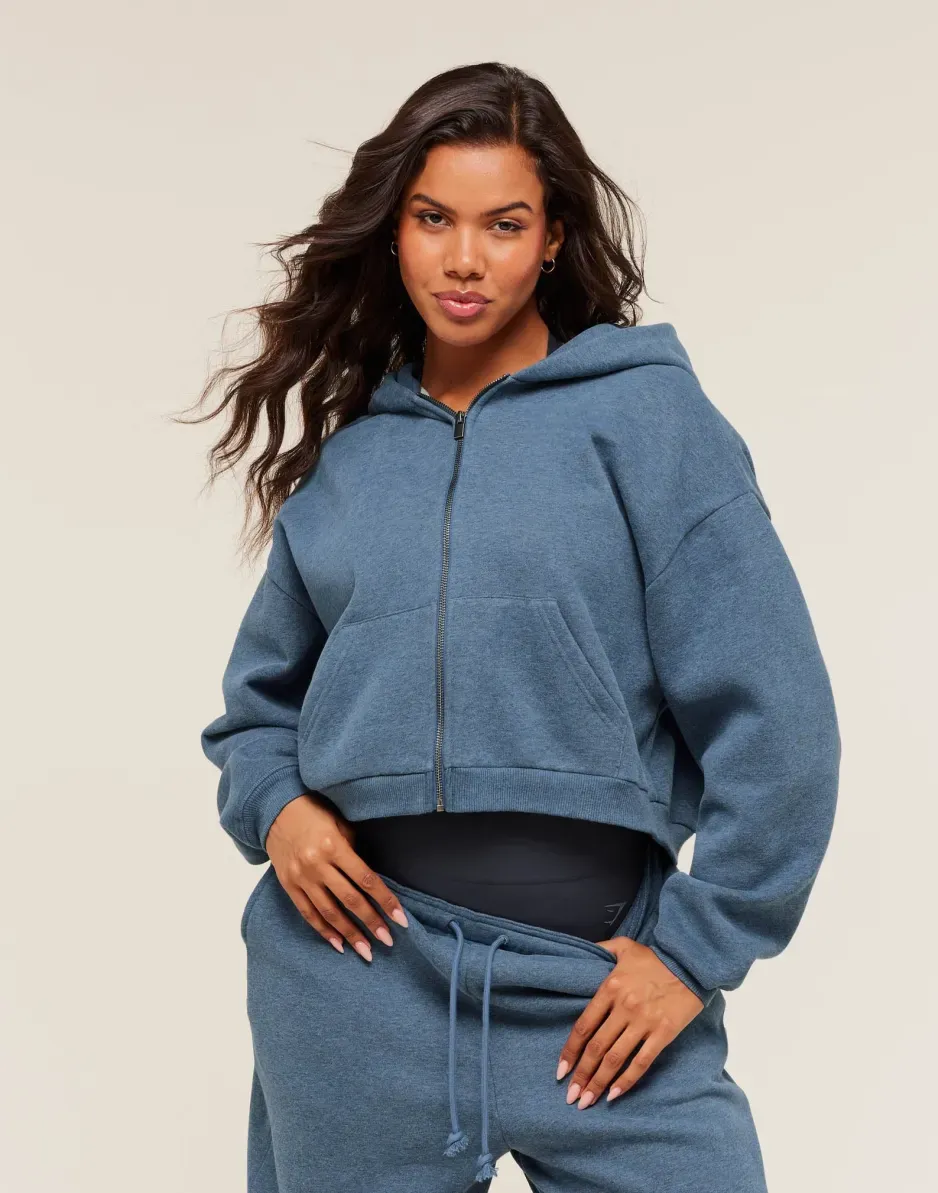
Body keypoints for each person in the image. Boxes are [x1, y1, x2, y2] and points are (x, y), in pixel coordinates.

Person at [190, 61, 841, 1193]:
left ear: (551, 240)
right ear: (394, 231)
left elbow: (779, 720)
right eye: (432, 218)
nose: (464, 258)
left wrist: (694, 952)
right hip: (356, 991)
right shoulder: (355, 461)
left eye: (503, 223)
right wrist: (279, 809)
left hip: (594, 993)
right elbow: (258, 713)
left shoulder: (648, 420)